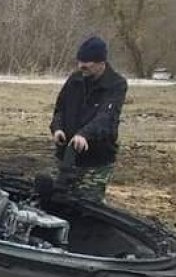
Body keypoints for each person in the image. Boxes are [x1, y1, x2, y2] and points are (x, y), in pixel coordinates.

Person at [49, 36, 128, 202]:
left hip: (96, 160)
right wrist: (57, 128)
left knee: (88, 207)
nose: (81, 66)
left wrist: (85, 134)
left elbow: (106, 118)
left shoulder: (116, 84)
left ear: (101, 63)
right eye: (79, 61)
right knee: (57, 201)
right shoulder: (74, 80)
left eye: (86, 63)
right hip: (67, 157)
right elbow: (60, 109)